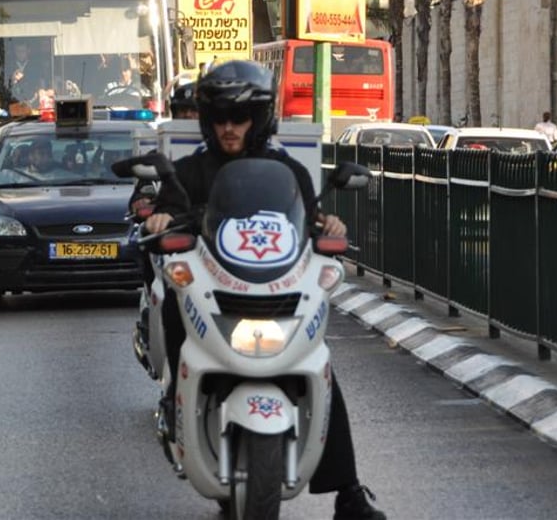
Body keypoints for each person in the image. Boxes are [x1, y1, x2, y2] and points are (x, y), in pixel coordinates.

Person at [144, 60, 384, 520]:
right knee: (175, 314)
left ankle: (348, 492)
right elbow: (166, 214)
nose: (229, 128)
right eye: (220, 119)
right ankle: (179, 405)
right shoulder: (188, 172)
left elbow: (308, 221)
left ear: (261, 119)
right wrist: (160, 219)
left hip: (275, 289)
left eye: (240, 118)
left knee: (318, 361)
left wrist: (326, 225)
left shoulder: (286, 171)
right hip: (212, 292)